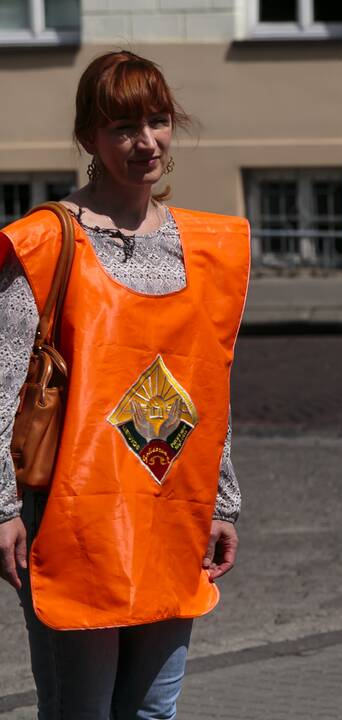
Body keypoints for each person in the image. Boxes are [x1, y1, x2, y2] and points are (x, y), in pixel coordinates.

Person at [0, 51, 249, 719]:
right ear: (89, 138)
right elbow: (0, 389)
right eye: (122, 128)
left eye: (158, 121)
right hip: (73, 515)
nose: (146, 143)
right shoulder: (46, 242)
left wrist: (222, 502)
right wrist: (0, 509)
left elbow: (208, 387)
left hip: (172, 508)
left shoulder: (206, 247)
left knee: (151, 711)